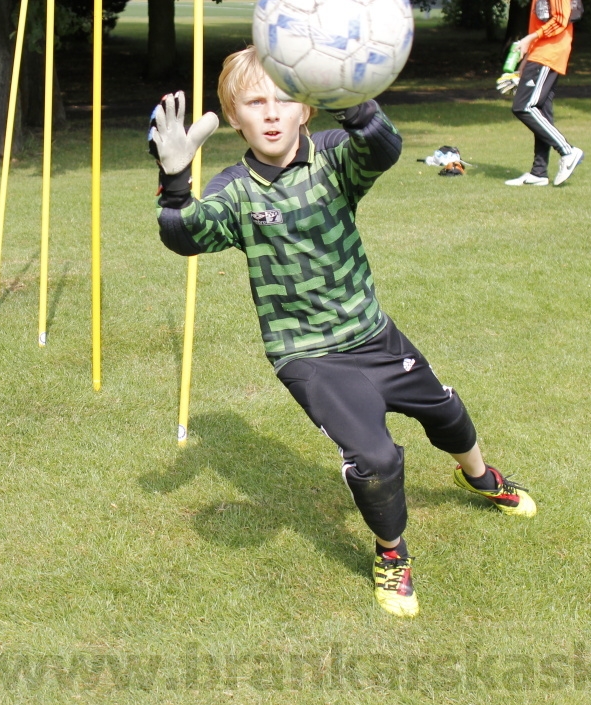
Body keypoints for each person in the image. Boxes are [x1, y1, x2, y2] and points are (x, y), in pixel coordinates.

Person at [149, 46, 535, 618]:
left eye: (285, 98)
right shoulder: (236, 190)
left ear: (307, 108)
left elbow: (384, 148)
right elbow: (184, 236)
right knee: (375, 458)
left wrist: (349, 102)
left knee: (446, 413)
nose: (272, 113)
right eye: (256, 103)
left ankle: (480, 478)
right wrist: (175, 181)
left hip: (372, 333)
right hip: (308, 356)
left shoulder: (332, 157)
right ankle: (391, 553)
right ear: (234, 117)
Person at [507, 0, 585, 187]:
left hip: (549, 52)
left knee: (523, 106)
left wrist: (530, 39)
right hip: (542, 51)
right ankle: (539, 173)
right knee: (540, 110)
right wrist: (528, 50)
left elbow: (561, 18)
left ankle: (567, 151)